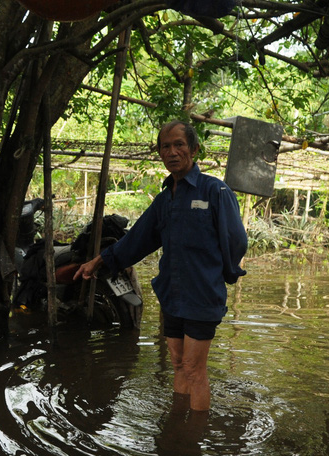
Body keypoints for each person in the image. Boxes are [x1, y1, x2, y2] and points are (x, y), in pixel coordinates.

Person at [74, 120, 247, 412]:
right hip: (173, 295)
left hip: (202, 296)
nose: (172, 152)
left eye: (179, 144)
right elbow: (137, 240)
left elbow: (236, 240)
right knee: (178, 365)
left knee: (194, 369)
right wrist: (99, 260)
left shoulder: (214, 192)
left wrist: (226, 276)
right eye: (165, 147)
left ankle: (193, 436)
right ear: (159, 153)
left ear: (194, 149)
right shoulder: (165, 199)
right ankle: (177, 425)